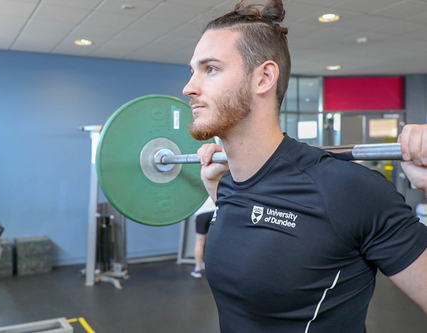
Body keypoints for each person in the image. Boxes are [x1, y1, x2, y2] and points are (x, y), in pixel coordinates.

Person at [182, 0, 427, 332]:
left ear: (264, 77)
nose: (189, 88)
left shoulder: (346, 189)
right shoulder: (227, 184)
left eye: (210, 69)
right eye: (193, 71)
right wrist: (217, 189)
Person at [191, 197, 215, 278]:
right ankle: (214, 269)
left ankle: (197, 269)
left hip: (202, 213)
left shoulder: (194, 185)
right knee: (215, 241)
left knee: (199, 242)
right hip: (214, 211)